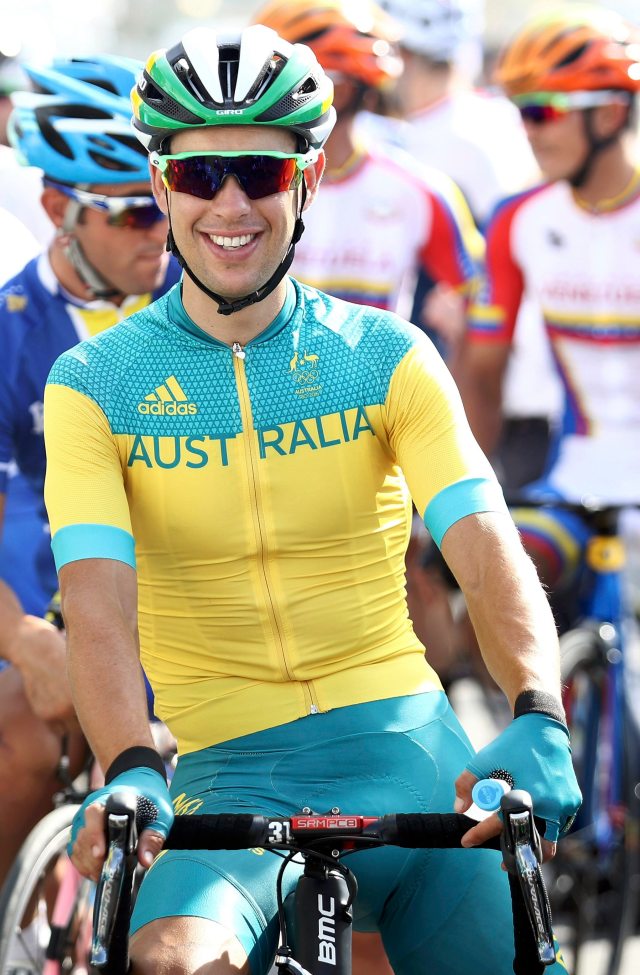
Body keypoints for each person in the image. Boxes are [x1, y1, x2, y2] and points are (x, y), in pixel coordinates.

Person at [45, 25, 579, 975]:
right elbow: (96, 605)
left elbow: (482, 543)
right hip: (228, 774)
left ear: (311, 176)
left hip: (413, 754)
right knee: (170, 964)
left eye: (260, 170)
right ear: (162, 184)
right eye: (203, 175)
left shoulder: (387, 355)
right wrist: (129, 761)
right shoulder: (96, 382)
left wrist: (537, 707)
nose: (233, 204)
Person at [0, 53, 179, 906]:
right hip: (50, 598)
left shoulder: (213, 306)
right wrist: (30, 644)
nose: (164, 233)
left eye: (170, 199)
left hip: (193, 611)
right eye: (139, 211)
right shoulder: (11, 330)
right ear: (56, 210)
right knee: (23, 743)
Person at [460, 4, 640, 621]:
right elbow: (483, 373)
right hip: (576, 481)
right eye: (521, 113)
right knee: (493, 589)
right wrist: (460, 500)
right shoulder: (519, 220)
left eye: (543, 112)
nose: (528, 132)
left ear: (610, 113)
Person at [252, 0, 483, 334]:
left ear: (344, 89)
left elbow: (477, 298)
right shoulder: (241, 184)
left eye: (287, 82)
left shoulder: (421, 190)